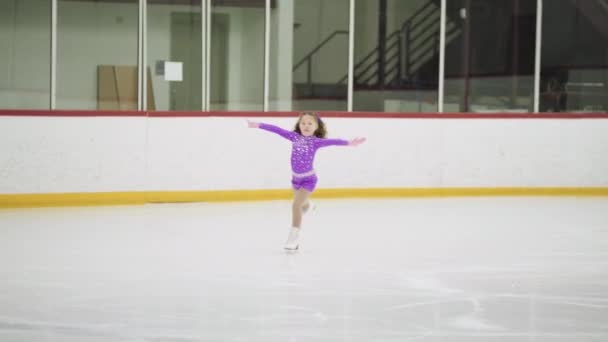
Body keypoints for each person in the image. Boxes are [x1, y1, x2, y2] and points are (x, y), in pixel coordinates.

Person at [247, 112, 366, 250]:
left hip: (309, 180)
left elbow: (333, 141)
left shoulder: (316, 142)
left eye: (310, 123)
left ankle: (293, 239)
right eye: (303, 123)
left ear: (316, 127)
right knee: (302, 206)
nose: (306, 126)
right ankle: (308, 206)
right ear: (299, 125)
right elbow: (277, 130)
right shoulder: (294, 137)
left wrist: (349, 143)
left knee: (296, 205)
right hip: (295, 180)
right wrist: (258, 125)